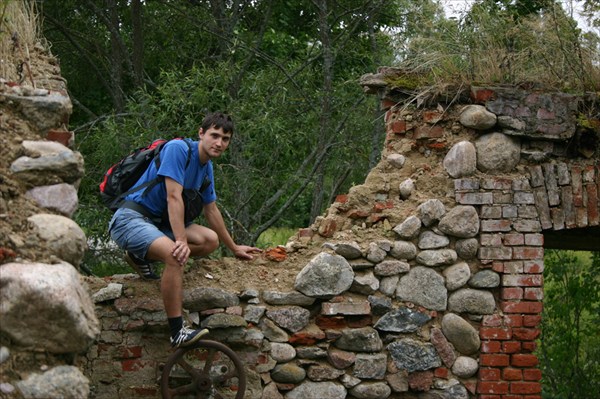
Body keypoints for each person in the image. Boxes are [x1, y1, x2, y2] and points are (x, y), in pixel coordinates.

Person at [108, 112, 261, 348]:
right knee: (174, 254)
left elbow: (211, 211)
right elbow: (173, 196)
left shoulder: (206, 167)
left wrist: (233, 247)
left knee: (209, 241)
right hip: (130, 219)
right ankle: (177, 331)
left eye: (225, 139)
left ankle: (141, 255)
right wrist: (179, 240)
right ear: (201, 133)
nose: (219, 143)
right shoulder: (178, 149)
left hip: (158, 225)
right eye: (214, 135)